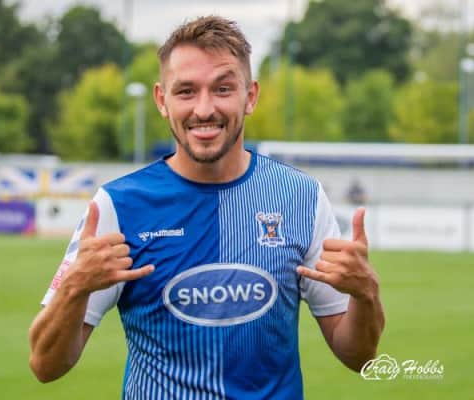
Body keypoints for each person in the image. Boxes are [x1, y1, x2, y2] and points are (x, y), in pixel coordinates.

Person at [28, 16, 385, 399]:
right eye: (186, 91)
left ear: (250, 96)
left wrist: (366, 294)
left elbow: (359, 356)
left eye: (222, 89)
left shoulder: (301, 198)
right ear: (162, 101)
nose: (203, 109)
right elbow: (45, 366)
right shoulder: (118, 206)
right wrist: (75, 287)